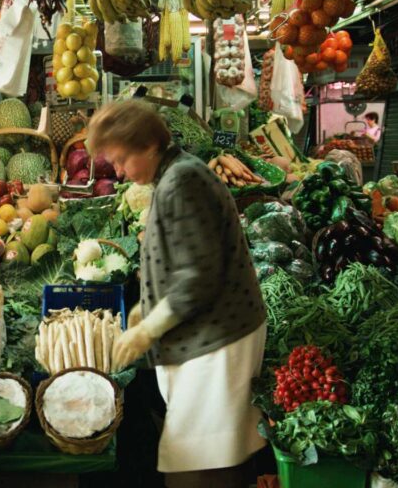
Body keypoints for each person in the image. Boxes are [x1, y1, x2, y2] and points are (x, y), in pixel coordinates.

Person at [88, 101, 267, 488]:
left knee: (200, 460)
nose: (117, 171)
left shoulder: (182, 181)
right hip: (208, 333)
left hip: (218, 337)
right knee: (214, 451)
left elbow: (199, 276)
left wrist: (148, 328)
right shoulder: (173, 174)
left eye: (121, 160)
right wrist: (145, 310)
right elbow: (184, 253)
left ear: (150, 146)